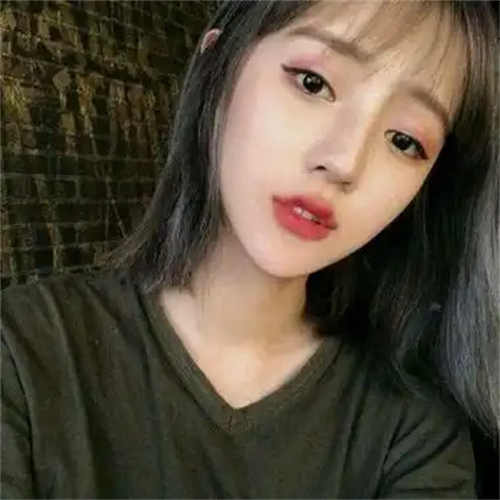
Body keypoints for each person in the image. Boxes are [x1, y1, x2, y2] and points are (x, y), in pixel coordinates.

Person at [2, 0, 498, 498]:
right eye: (313, 83)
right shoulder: (23, 353)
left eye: (405, 140)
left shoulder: (413, 432)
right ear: (217, 69)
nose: (345, 162)